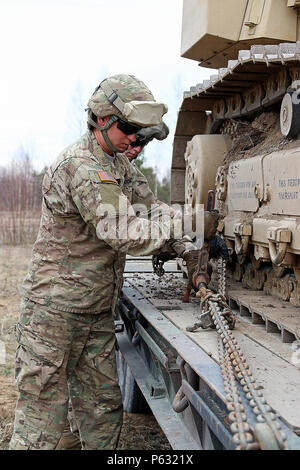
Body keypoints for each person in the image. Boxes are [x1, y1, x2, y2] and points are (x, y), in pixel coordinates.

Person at [9, 74, 219, 450]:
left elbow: (151, 210)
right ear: (101, 120)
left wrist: (186, 245)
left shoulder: (119, 165)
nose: (136, 143)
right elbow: (124, 230)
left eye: (145, 136)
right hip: (53, 317)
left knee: (102, 416)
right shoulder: (83, 167)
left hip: (94, 314)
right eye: (130, 131)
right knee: (40, 427)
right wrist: (190, 221)